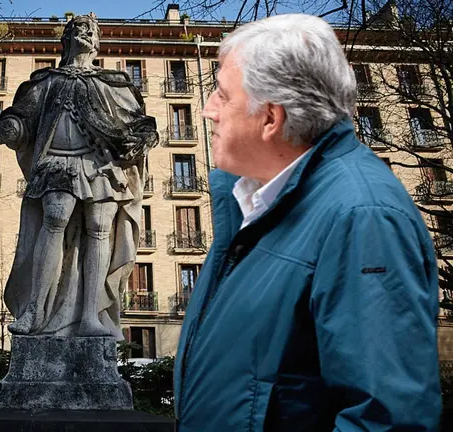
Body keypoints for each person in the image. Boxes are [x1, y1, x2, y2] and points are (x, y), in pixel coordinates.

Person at [174, 14, 441, 431]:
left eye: (223, 96)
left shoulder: (363, 218)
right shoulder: (261, 201)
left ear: (270, 118)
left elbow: (384, 420)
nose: (208, 110)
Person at [0, 13, 158, 338]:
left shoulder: (112, 83)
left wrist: (144, 139)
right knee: (55, 218)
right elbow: (19, 123)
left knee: (100, 228)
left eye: (91, 30)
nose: (86, 33)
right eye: (79, 29)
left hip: (101, 166)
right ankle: (36, 310)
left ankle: (91, 314)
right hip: (56, 163)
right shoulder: (48, 81)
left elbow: (141, 125)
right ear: (66, 39)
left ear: (98, 42)